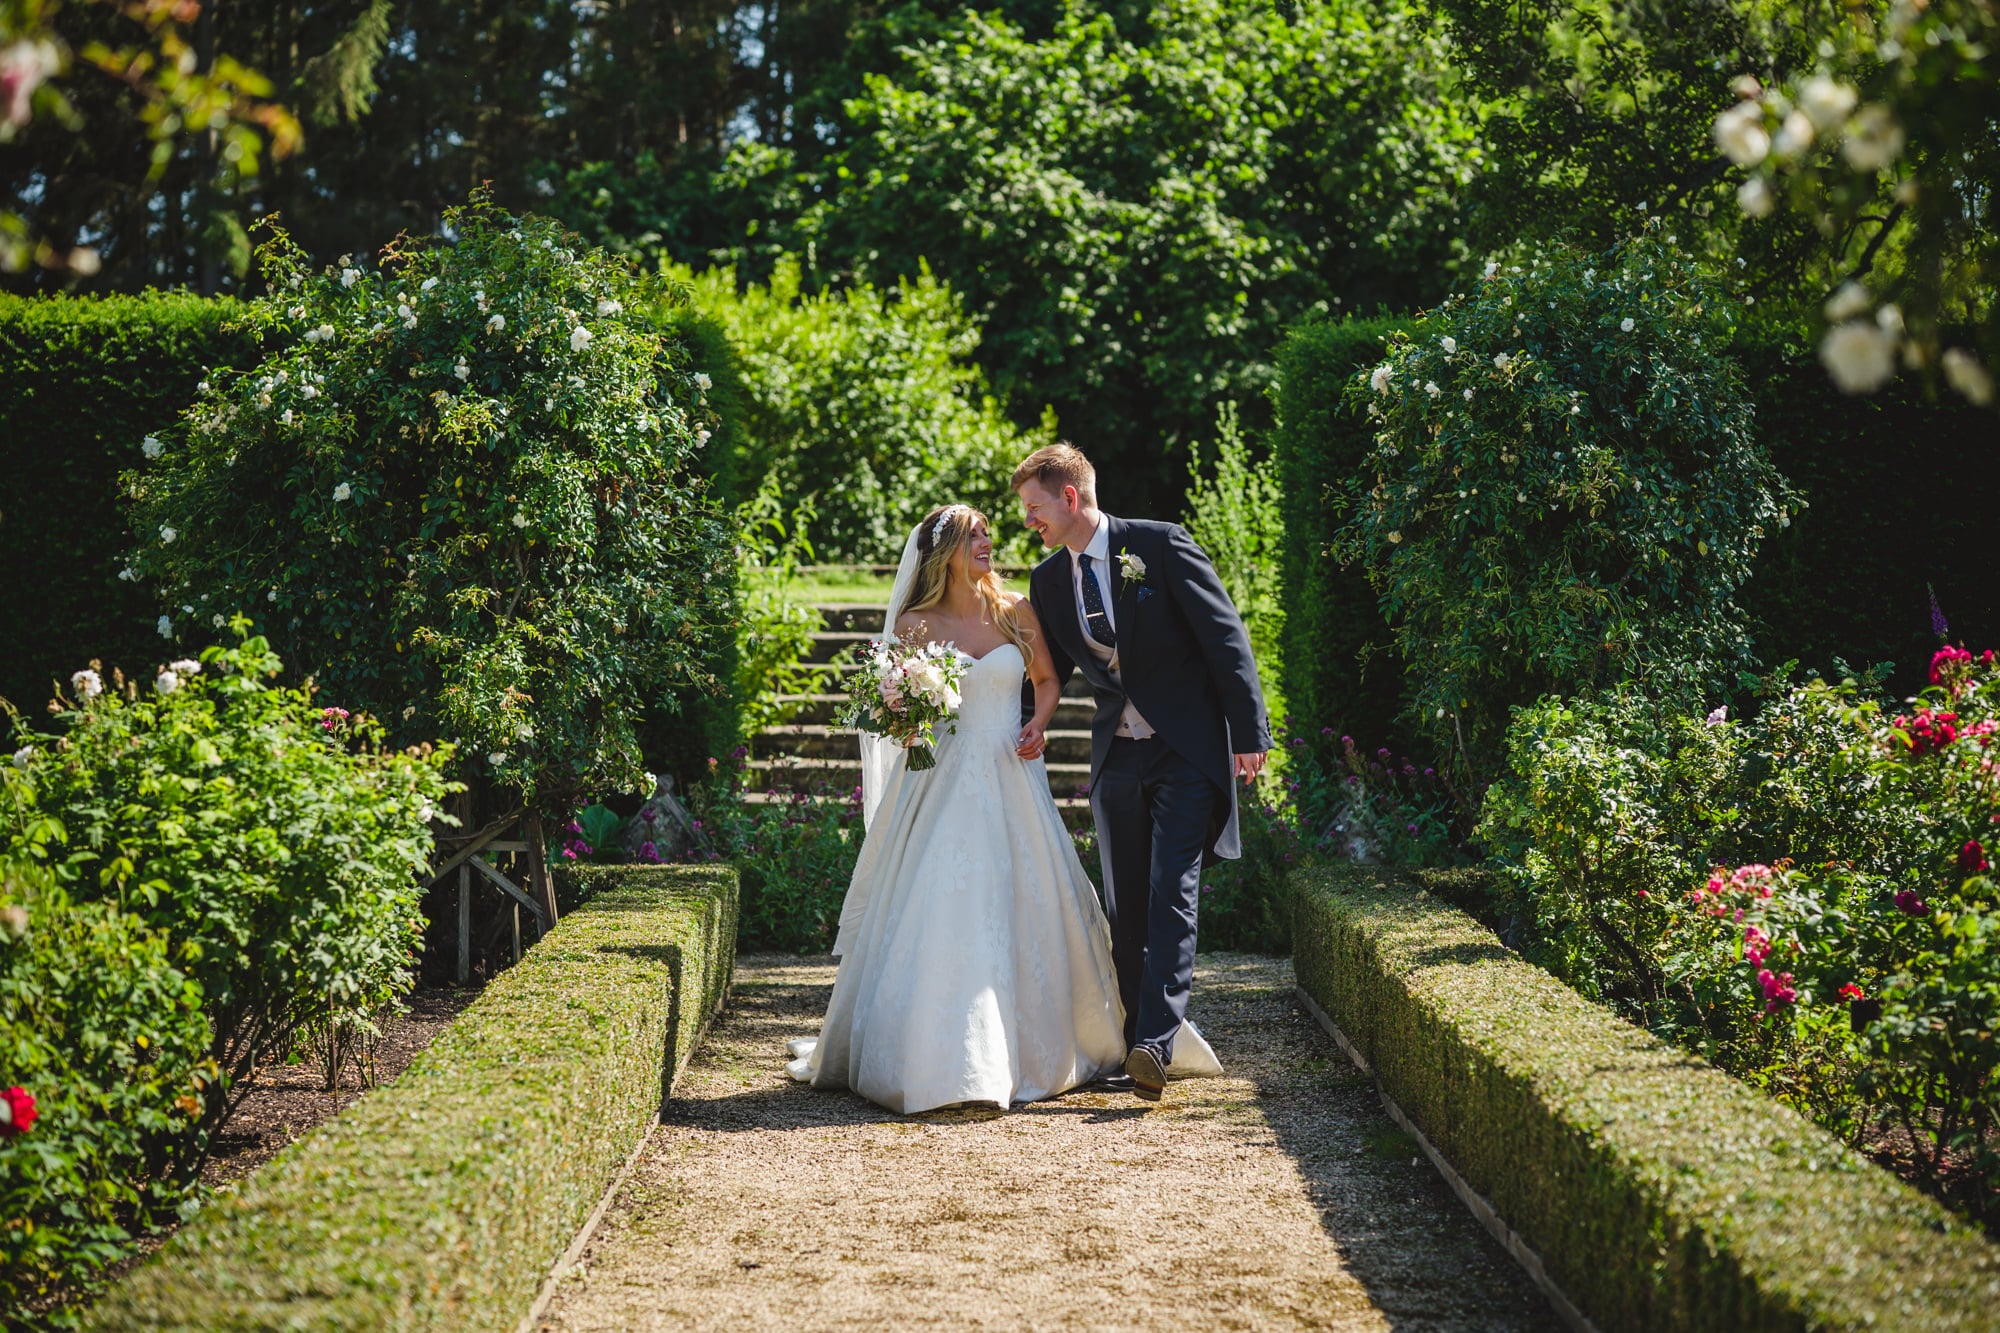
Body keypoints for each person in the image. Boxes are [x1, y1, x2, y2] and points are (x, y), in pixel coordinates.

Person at [787, 503, 1220, 1115]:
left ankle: (1065, 1047)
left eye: (989, 534)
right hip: (943, 782)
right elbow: (901, 712)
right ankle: (939, 1058)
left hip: (1013, 773)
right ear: (945, 556)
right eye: (975, 538)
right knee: (945, 905)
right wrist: (908, 719)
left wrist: (1038, 724)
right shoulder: (915, 623)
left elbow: (1046, 680)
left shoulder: (1014, 608)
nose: (989, 544)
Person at [1014, 443, 1271, 1101]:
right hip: (1118, 757)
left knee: (1172, 888)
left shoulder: (1160, 545)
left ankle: (1156, 1044)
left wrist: (1248, 733)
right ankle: (1135, 1035)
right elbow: (1048, 674)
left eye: (1036, 508)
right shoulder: (1047, 580)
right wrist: (1010, 726)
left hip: (1186, 750)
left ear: (1070, 497)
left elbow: (1224, 637)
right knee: (1125, 906)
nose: (1029, 522)